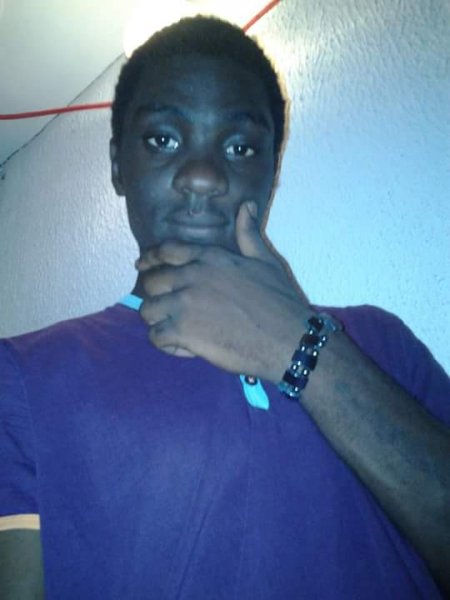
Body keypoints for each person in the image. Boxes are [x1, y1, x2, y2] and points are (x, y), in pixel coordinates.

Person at [1, 15, 449, 600]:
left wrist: (299, 344)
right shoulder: (22, 377)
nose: (203, 176)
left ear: (273, 170)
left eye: (239, 147)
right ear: (117, 166)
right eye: (163, 139)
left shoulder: (381, 343)